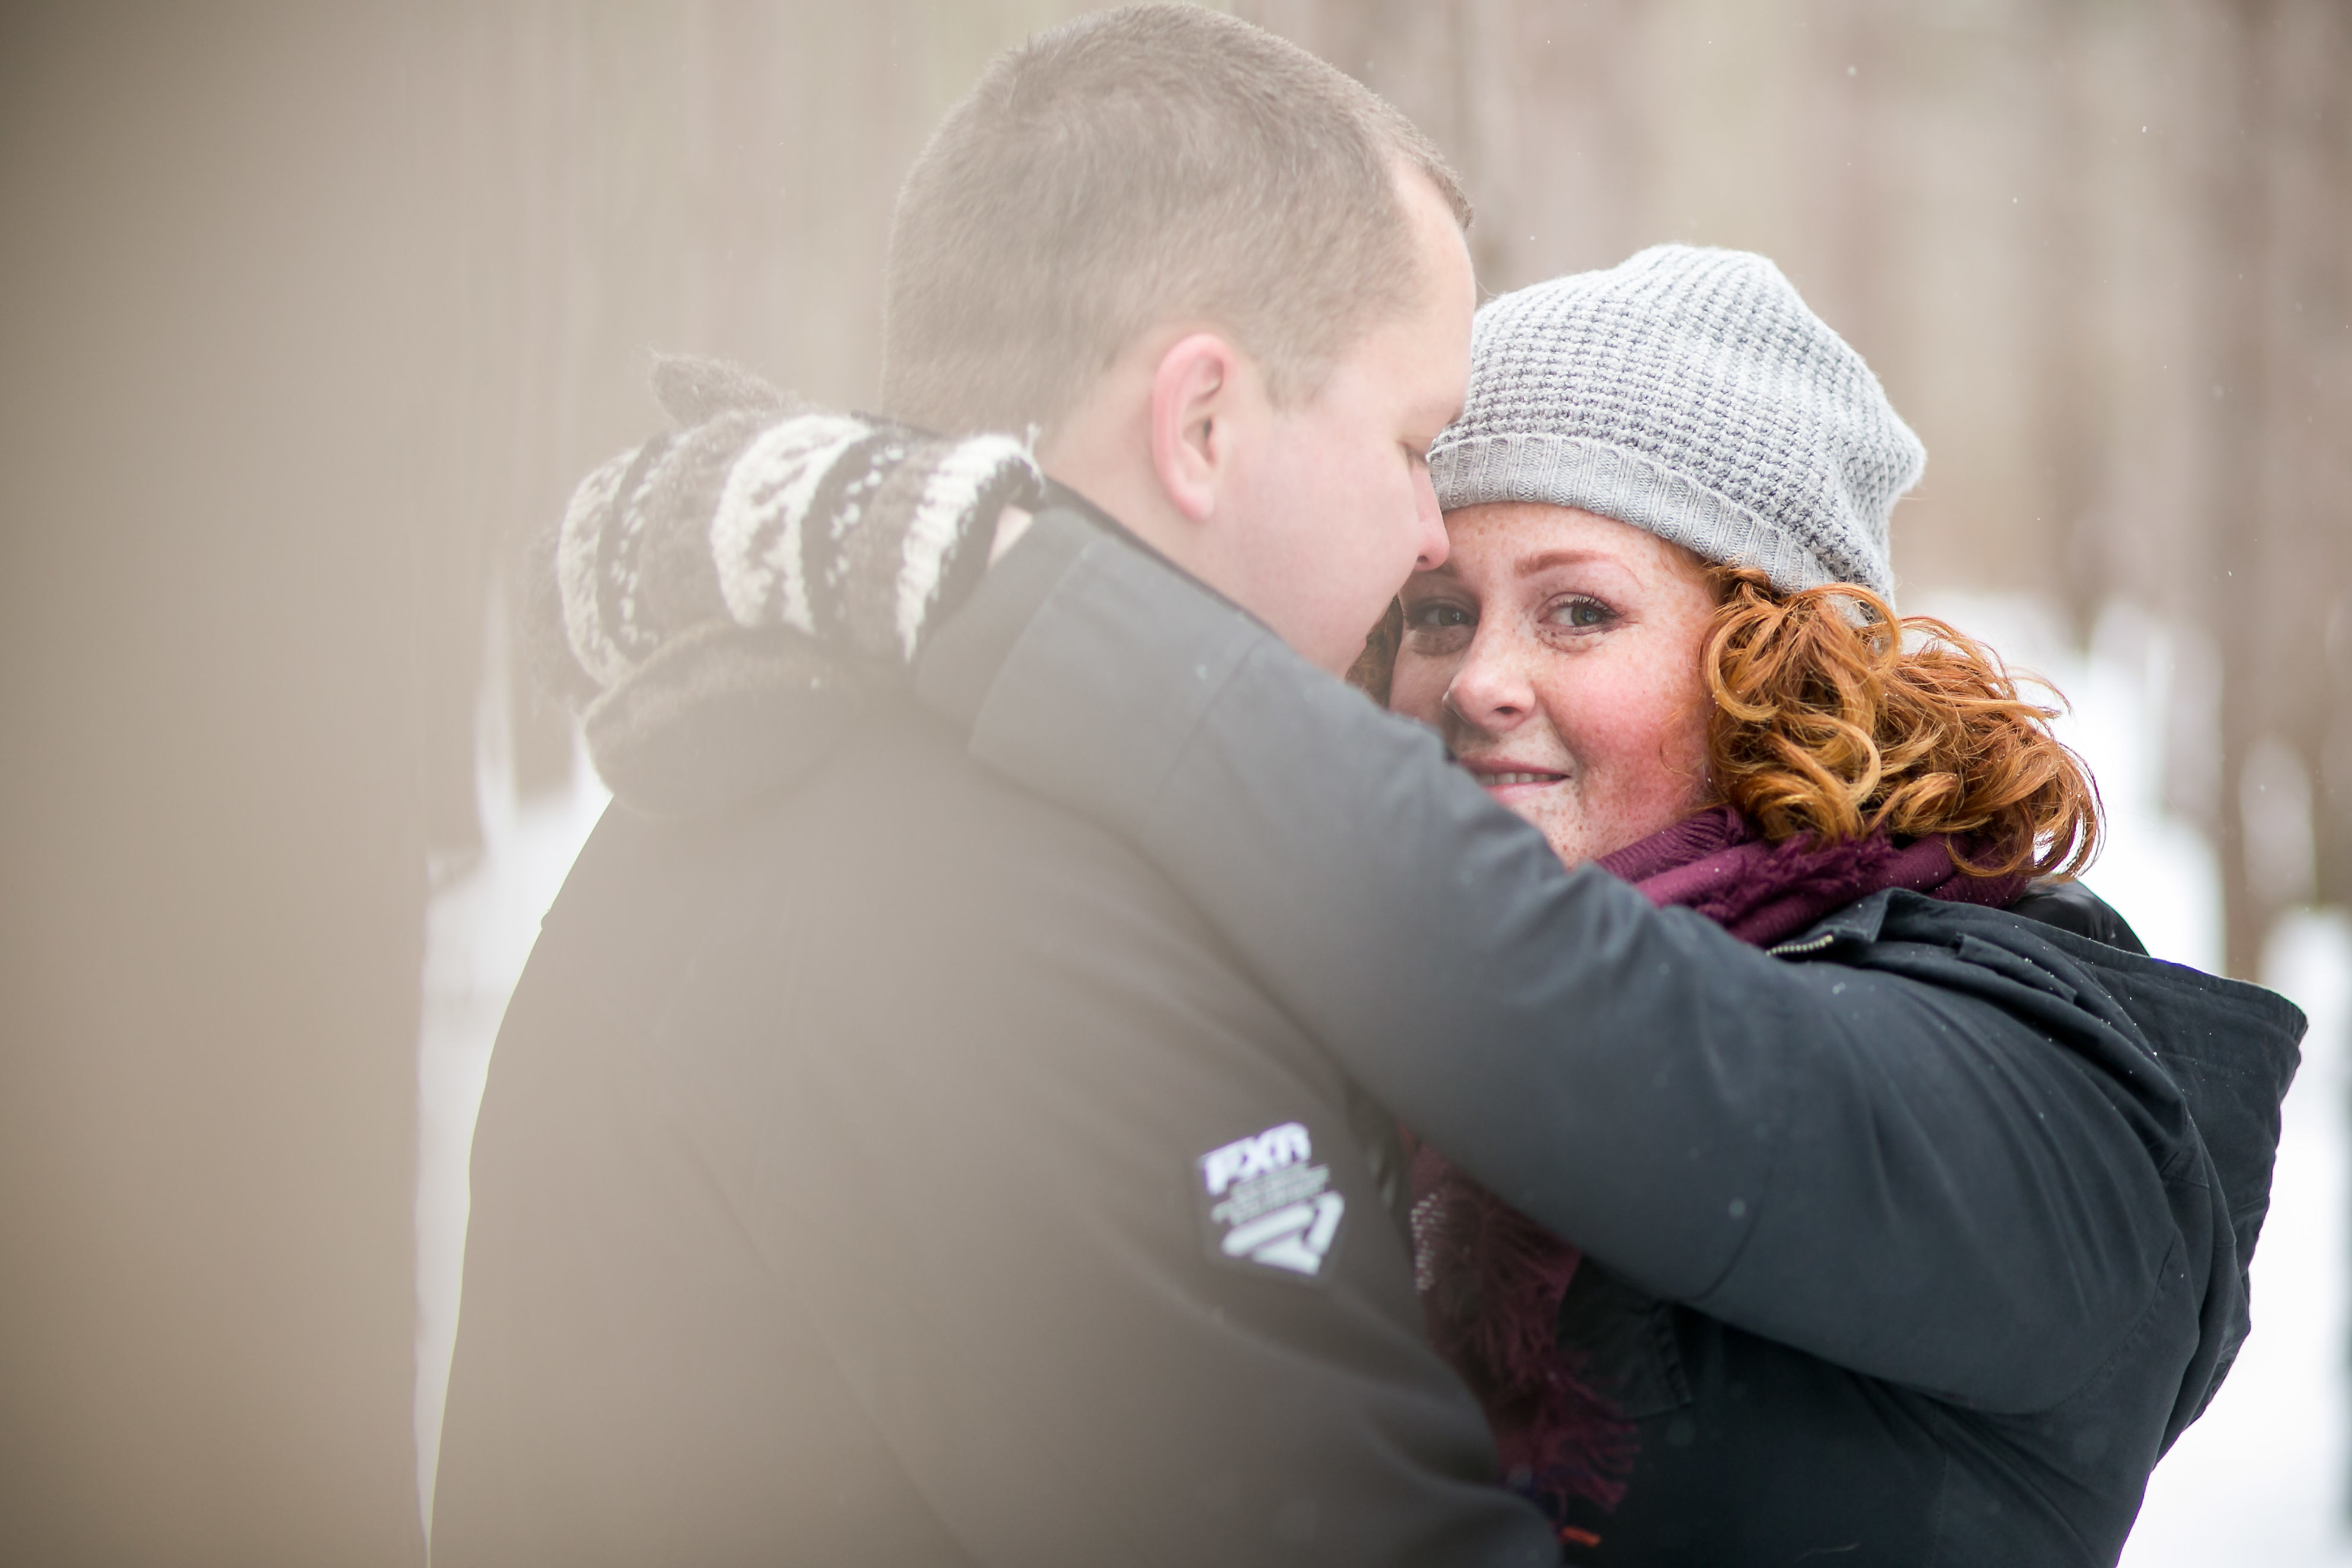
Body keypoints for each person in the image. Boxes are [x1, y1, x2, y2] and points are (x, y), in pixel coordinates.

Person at [567, 241, 2305, 1564]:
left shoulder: (2056, 1101)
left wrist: (1010, 589)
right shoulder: (1350, 1025)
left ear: (1777, 670)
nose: (1477, 681)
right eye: (1436, 613)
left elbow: (1634, 1051)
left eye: (1577, 614)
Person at [434, 8, 1569, 1564]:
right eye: (1411, 439)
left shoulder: (831, 777)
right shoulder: (985, 907)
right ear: (1203, 423)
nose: (1432, 532)